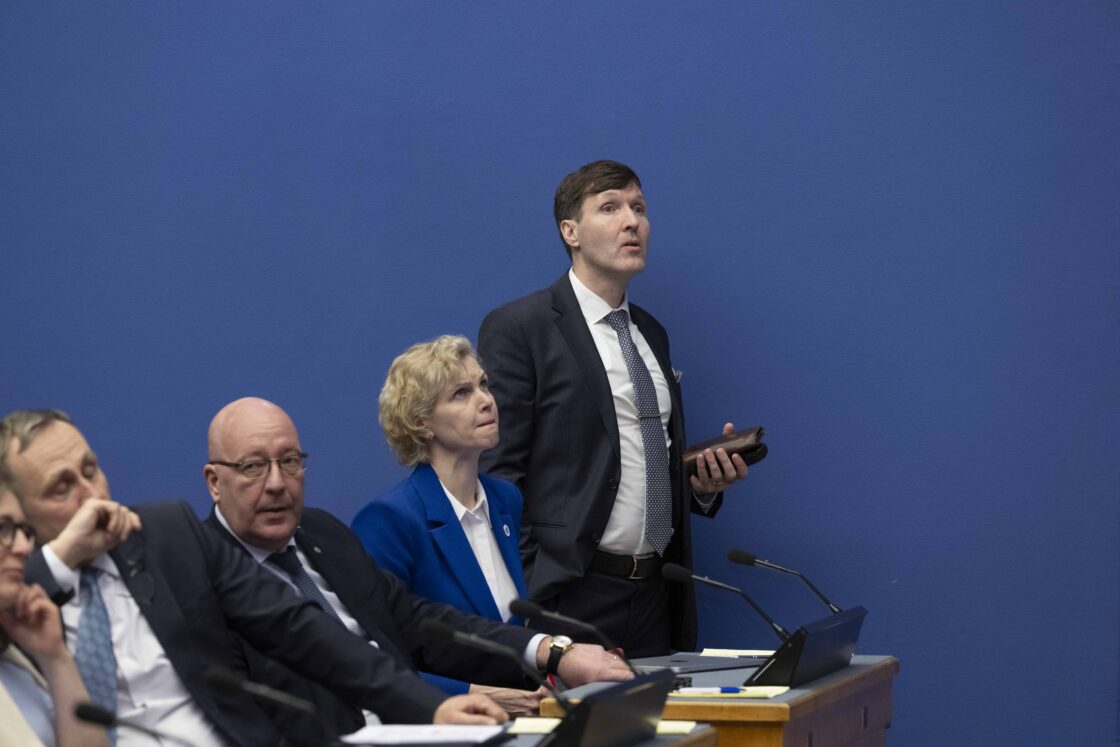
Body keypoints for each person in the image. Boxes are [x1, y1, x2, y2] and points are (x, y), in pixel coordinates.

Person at [1, 408, 630, 747]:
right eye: (61, 487)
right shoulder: (22, 591)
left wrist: (436, 706)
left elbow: (305, 631)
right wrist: (60, 558)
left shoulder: (163, 535)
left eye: (92, 470)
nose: (91, 496)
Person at [202, 397, 630, 741]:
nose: (277, 483)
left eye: (290, 462)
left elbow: (416, 621)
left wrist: (551, 650)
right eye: (253, 467)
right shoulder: (201, 580)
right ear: (214, 482)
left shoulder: (323, 534)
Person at [478, 160, 750, 658]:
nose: (632, 222)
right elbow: (498, 471)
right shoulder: (521, 328)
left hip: (658, 592)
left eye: (639, 208)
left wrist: (700, 487)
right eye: (610, 208)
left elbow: (638, 459)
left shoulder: (651, 332)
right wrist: (532, 578)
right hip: (570, 592)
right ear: (571, 232)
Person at [352, 336, 543, 715]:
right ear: (421, 422)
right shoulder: (390, 520)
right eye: (461, 393)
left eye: (483, 385)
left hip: (521, 715)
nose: (486, 400)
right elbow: (374, 660)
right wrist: (480, 695)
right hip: (440, 722)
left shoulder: (505, 499)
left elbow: (507, 628)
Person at [0, 486, 108, 747]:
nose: (25, 547)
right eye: (3, 528)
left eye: (25, 531)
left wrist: (55, 658)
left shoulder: (13, 659)